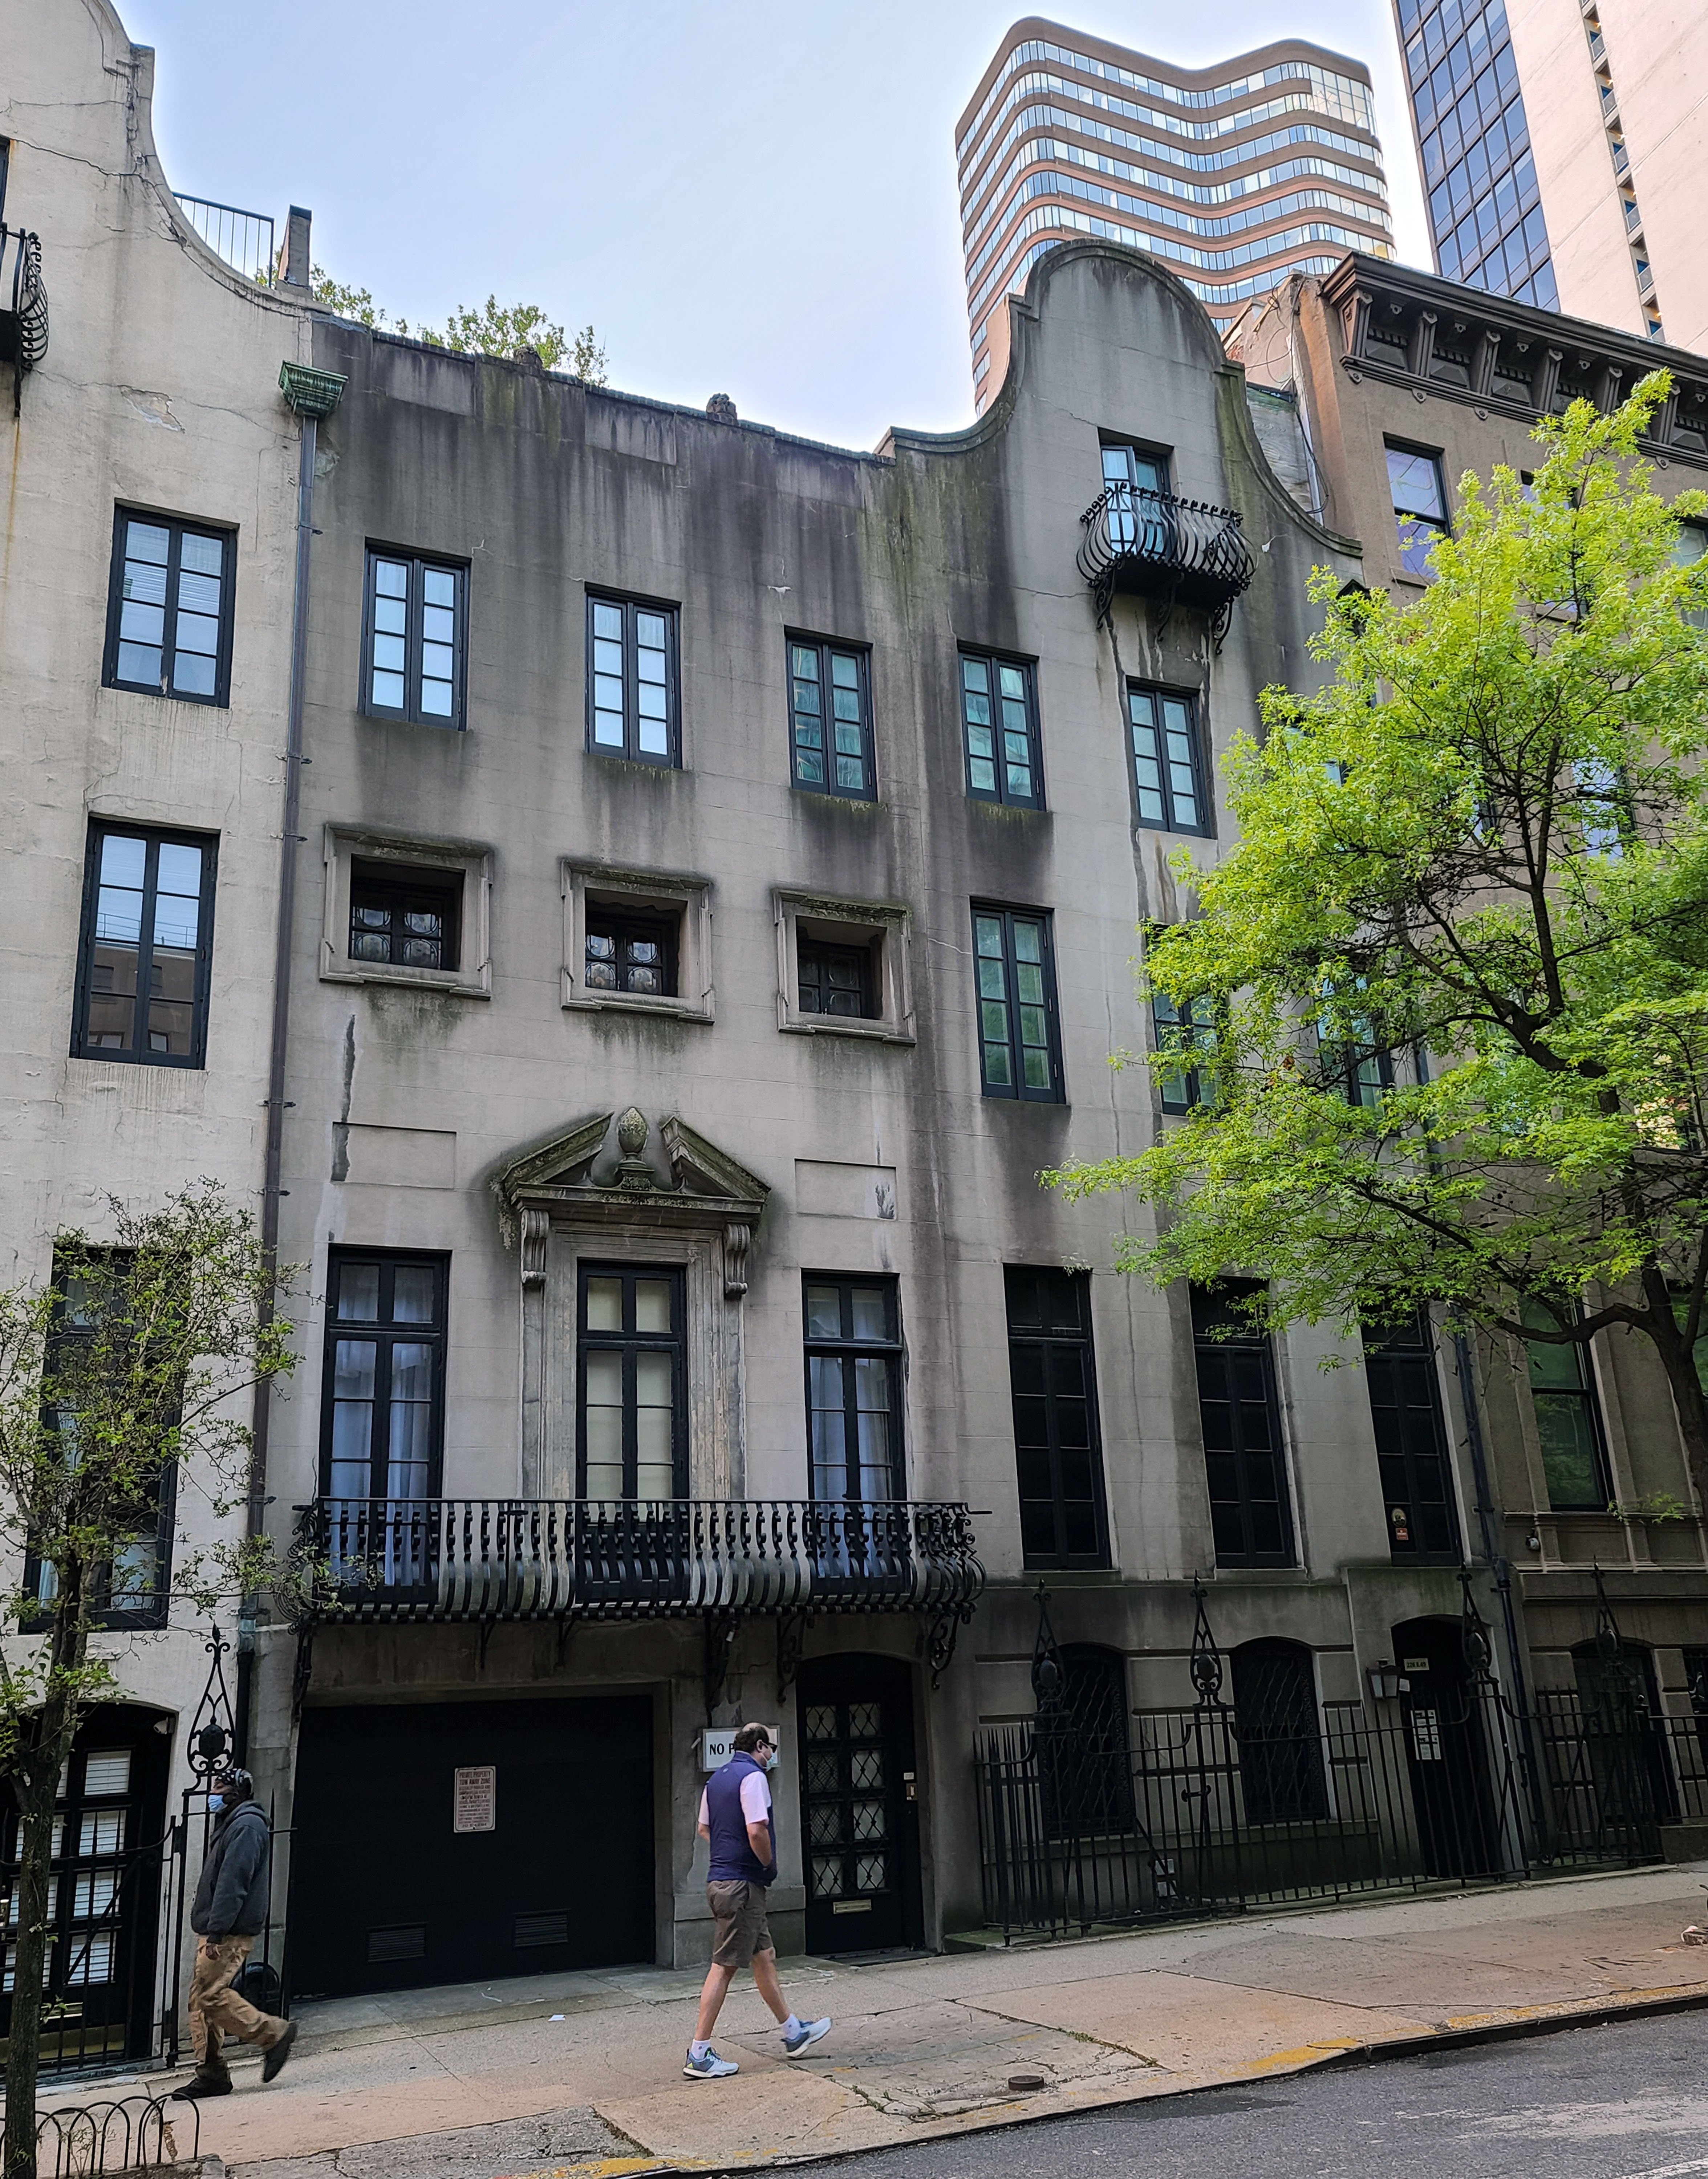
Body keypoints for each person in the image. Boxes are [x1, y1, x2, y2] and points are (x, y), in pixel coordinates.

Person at [685, 1723, 830, 2080]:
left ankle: (793, 2033)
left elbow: (704, 1828)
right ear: (760, 1746)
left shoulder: (716, 1780)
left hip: (721, 1881)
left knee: (763, 1957)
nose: (772, 1756)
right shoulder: (753, 1777)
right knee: (724, 1966)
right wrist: (766, 1862)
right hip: (743, 1885)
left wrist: (726, 1851)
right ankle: (698, 2053)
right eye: (771, 1749)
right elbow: (756, 1828)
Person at [174, 1767, 298, 2099]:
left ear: (238, 1792)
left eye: (220, 1785)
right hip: (219, 1928)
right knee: (200, 2001)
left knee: (210, 1995)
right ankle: (211, 2073)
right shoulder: (234, 1823)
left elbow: (233, 1883)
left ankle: (273, 2033)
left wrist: (217, 1932)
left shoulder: (245, 1825)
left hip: (227, 1932)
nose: (214, 1792)